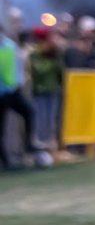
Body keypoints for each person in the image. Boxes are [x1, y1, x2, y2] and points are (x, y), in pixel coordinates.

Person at [0, 26, 37, 170]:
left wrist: (19, 82)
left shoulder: (10, 46)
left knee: (29, 112)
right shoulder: (11, 45)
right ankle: (5, 161)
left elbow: (18, 66)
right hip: (2, 94)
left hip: (12, 91)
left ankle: (28, 145)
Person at [28, 27, 64, 149]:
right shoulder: (35, 54)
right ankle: (39, 145)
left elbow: (61, 71)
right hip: (40, 90)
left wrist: (56, 54)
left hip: (52, 90)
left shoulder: (55, 54)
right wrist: (52, 61)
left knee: (51, 119)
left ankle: (50, 144)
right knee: (40, 119)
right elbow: (39, 70)